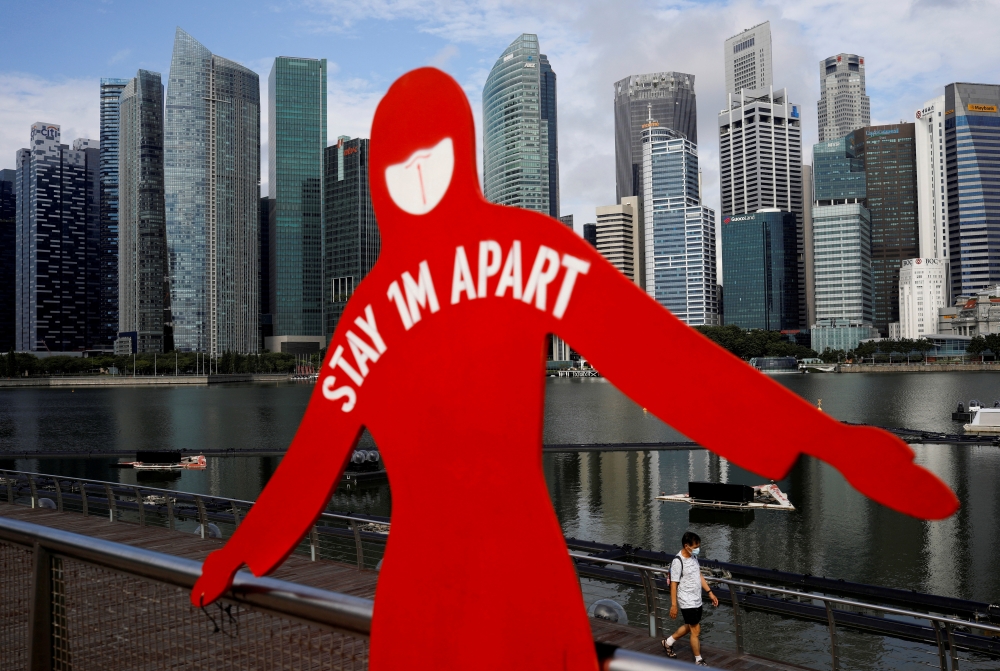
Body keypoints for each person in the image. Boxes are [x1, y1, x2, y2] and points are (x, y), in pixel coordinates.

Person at [190, 67, 958, 671]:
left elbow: (667, 362)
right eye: (401, 167)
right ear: (378, 180)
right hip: (422, 604)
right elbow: (308, 463)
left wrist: (829, 440)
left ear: (463, 155)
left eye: (434, 158)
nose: (419, 179)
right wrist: (234, 553)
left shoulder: (518, 254)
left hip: (519, 587)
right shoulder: (374, 311)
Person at [662, 531, 719, 666]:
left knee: (691, 626)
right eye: (695, 547)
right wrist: (674, 605)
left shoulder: (693, 557)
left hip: (697, 598)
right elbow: (674, 585)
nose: (697, 549)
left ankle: (668, 642)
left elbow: (699, 575)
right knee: (696, 629)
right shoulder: (678, 561)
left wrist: (710, 592)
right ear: (686, 546)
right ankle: (698, 660)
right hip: (686, 600)